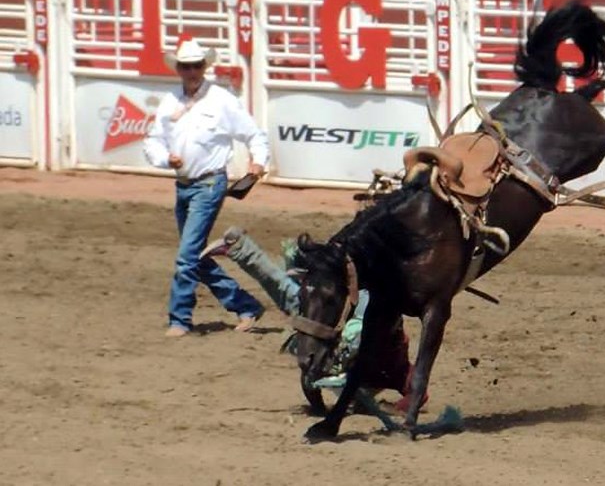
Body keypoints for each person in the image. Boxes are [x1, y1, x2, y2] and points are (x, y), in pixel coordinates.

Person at [202, 227, 426, 412]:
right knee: (289, 294)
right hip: (352, 318)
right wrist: (390, 409)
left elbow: (310, 382)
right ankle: (240, 247)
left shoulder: (386, 365)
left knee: (289, 294)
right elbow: (418, 391)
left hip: (345, 316)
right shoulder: (393, 368)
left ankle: (240, 247)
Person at [143, 38, 269, 337]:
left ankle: (180, 319)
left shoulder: (221, 100)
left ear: (204, 67)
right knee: (194, 255)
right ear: (179, 69)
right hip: (185, 184)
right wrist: (165, 159)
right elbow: (153, 140)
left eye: (196, 66)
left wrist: (258, 161)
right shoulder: (170, 101)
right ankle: (245, 305)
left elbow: (254, 134)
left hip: (210, 183)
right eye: (186, 66)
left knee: (187, 256)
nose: (192, 71)